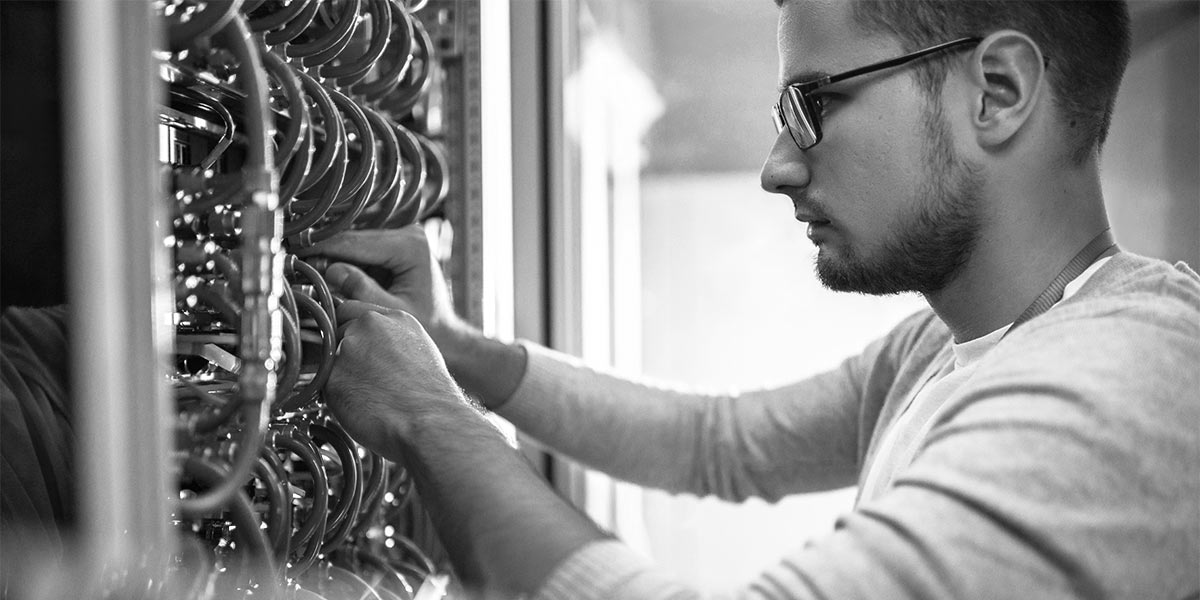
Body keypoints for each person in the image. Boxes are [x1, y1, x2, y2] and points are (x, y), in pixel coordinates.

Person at [304, 1, 1200, 598]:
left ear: (997, 92)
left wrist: (429, 419)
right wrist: (456, 348)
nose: (778, 166)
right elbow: (718, 442)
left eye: (814, 102)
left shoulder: (1125, 387)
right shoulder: (940, 349)